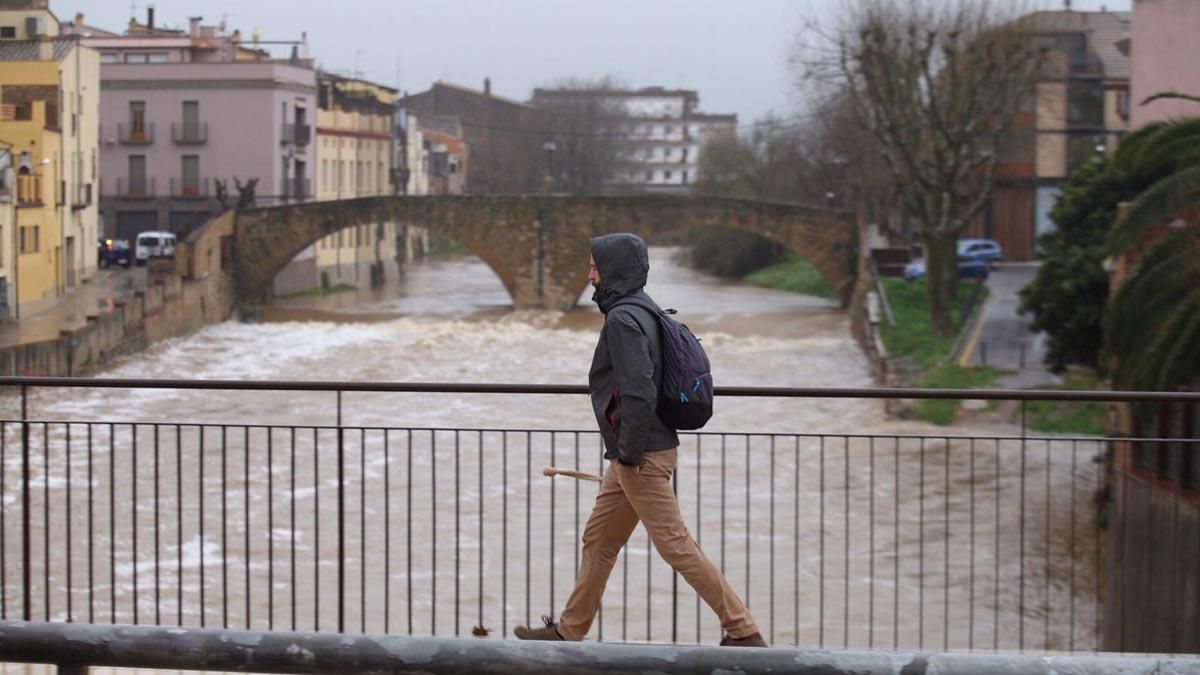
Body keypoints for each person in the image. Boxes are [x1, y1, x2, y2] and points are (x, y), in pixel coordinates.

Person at [514, 233, 766, 647]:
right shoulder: (643, 310)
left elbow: (638, 390)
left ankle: (742, 629)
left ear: (613, 270)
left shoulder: (622, 320)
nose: (589, 273)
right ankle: (568, 629)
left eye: (595, 266)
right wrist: (624, 453)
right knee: (600, 539)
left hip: (641, 454)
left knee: (675, 545)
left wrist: (629, 453)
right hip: (638, 451)